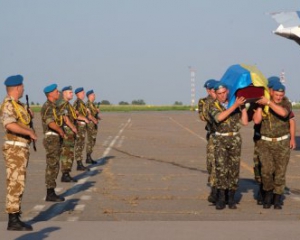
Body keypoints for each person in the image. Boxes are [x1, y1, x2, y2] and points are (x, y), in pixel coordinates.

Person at [0, 75, 37, 231]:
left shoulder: (18, 105)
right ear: (16, 88)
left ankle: (15, 215)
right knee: (15, 183)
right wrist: (29, 132)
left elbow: (19, 120)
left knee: (18, 183)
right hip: (15, 148)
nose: (23, 89)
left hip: (20, 148)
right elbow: (10, 125)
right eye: (21, 86)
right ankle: (13, 220)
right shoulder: (8, 105)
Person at [253, 81, 295, 209]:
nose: (279, 97)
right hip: (265, 143)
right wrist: (260, 106)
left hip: (282, 142)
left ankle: (277, 198)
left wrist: (292, 139)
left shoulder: (285, 103)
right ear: (270, 92)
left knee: (280, 172)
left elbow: (284, 114)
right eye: (276, 95)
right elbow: (256, 120)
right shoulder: (263, 103)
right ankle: (268, 194)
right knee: (266, 171)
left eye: (281, 95)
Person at [209, 82, 248, 210]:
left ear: (228, 92)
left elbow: (245, 122)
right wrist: (235, 106)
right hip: (220, 139)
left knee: (234, 169)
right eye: (219, 93)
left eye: (224, 93)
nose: (222, 96)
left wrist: (242, 108)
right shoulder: (212, 106)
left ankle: (231, 198)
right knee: (221, 168)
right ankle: (221, 198)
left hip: (235, 138)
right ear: (215, 94)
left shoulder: (235, 105)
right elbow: (219, 118)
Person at [41, 83, 66, 202]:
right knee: (52, 164)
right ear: (50, 94)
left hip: (55, 138)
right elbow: (50, 122)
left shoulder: (54, 106)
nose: (58, 93)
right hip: (52, 138)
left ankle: (51, 191)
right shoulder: (47, 107)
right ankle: (50, 193)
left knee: (55, 164)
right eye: (56, 91)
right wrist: (60, 130)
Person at [198, 79, 218, 203]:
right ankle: (215, 187)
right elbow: (204, 116)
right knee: (211, 164)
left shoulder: (224, 100)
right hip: (213, 135)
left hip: (225, 136)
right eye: (209, 90)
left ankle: (220, 190)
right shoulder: (204, 102)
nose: (210, 92)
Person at [57, 86, 79, 182]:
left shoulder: (67, 104)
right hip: (66, 131)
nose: (72, 94)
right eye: (70, 92)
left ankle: (67, 173)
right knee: (66, 153)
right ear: (64, 93)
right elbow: (64, 118)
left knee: (69, 153)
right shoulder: (62, 104)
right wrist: (73, 127)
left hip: (70, 132)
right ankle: (65, 174)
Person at [73, 87, 90, 171]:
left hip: (82, 126)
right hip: (79, 126)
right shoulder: (77, 103)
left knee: (81, 144)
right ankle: (79, 163)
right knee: (79, 145)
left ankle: (80, 163)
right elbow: (74, 114)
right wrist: (82, 119)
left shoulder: (82, 103)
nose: (84, 94)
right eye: (82, 93)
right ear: (77, 94)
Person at [85, 90, 100, 164]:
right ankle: (88, 157)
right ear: (89, 96)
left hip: (93, 124)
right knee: (90, 140)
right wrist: (94, 120)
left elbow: (93, 114)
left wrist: (97, 115)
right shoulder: (88, 104)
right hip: (90, 124)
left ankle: (89, 156)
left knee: (93, 140)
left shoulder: (92, 104)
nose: (95, 96)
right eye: (93, 95)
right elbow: (89, 115)